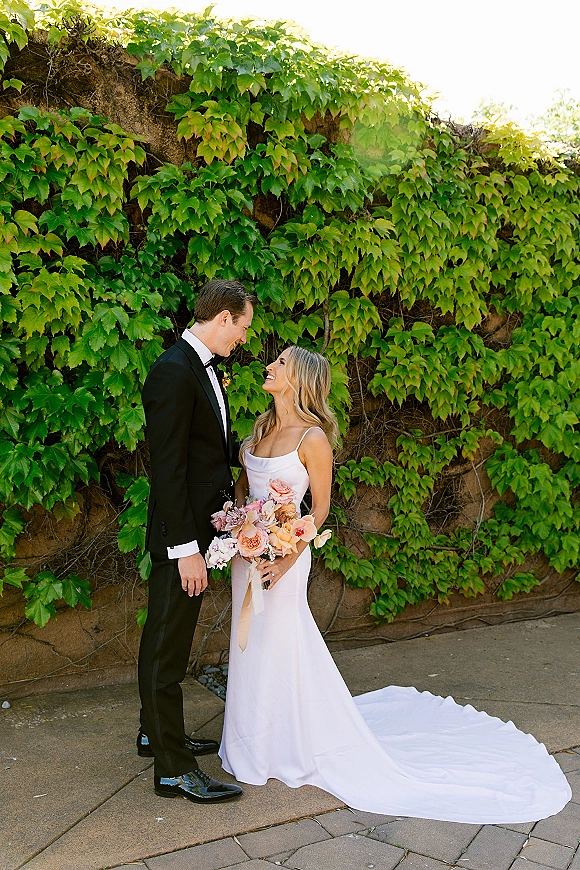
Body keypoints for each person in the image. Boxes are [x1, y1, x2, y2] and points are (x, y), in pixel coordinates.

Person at [219, 345, 572, 824]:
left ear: (299, 378)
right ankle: (250, 746)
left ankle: (287, 744)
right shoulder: (260, 430)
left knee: (281, 644)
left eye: (280, 363)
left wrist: (284, 557)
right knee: (248, 649)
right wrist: (241, 526)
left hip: (286, 557)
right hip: (248, 555)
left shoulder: (313, 439)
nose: (270, 366)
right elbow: (245, 486)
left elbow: (318, 509)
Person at [138, 278, 256, 804]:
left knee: (171, 640)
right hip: (179, 538)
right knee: (165, 649)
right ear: (224, 318)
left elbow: (205, 448)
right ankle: (173, 770)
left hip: (199, 533)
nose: (244, 340)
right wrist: (185, 549)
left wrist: (254, 449)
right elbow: (166, 470)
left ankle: (154, 734)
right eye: (243, 327)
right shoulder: (173, 372)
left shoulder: (201, 368)